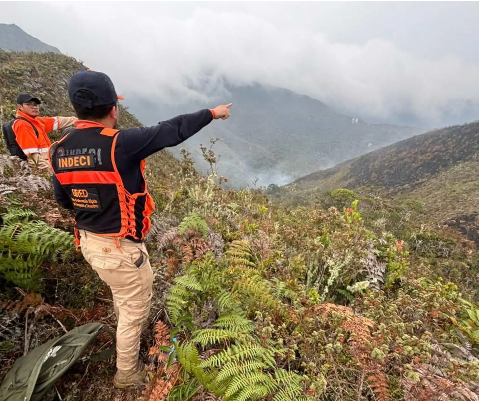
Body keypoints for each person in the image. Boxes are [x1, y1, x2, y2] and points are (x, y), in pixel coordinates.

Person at [49, 70, 231, 388]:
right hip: (120, 249)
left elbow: (63, 201)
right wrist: (212, 113)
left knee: (123, 296)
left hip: (90, 243)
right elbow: (170, 131)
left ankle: (124, 335)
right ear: (113, 109)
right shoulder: (119, 144)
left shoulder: (59, 150)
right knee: (135, 309)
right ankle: (127, 375)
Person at [13, 93, 76, 169]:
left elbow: (58, 121)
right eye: (29, 104)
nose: (34, 107)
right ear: (20, 107)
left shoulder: (36, 121)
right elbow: (34, 159)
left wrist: (81, 119)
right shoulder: (22, 124)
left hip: (50, 162)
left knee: (69, 131)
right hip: (43, 168)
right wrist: (54, 173)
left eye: (35, 104)